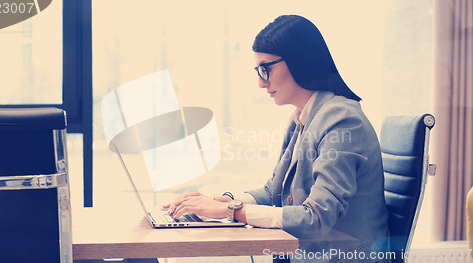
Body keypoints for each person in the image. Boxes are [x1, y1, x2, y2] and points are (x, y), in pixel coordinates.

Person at [163, 15, 389, 263]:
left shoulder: (342, 120)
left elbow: (316, 218)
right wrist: (224, 201)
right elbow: (274, 190)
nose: (261, 82)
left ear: (298, 60)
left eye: (265, 69)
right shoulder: (302, 118)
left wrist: (231, 212)